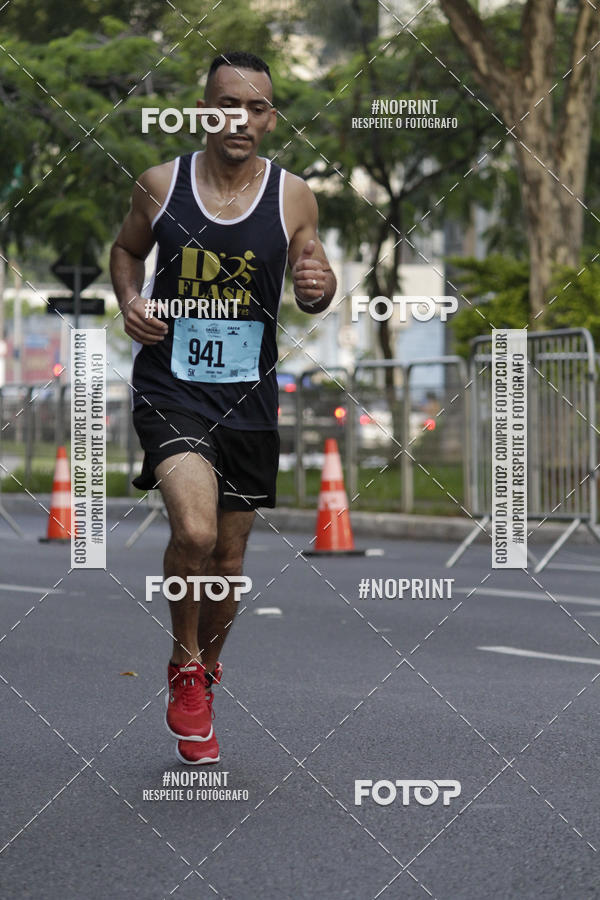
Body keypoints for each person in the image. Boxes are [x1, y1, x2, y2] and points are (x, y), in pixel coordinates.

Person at [110, 51, 337, 764]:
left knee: (230, 560)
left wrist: (317, 282)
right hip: (172, 388)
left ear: (271, 119)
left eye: (256, 107)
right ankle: (183, 664)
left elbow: (315, 278)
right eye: (226, 104)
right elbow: (125, 250)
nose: (240, 119)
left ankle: (208, 671)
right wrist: (130, 300)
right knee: (197, 531)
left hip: (249, 400)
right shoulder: (160, 185)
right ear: (204, 110)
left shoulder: (295, 195)